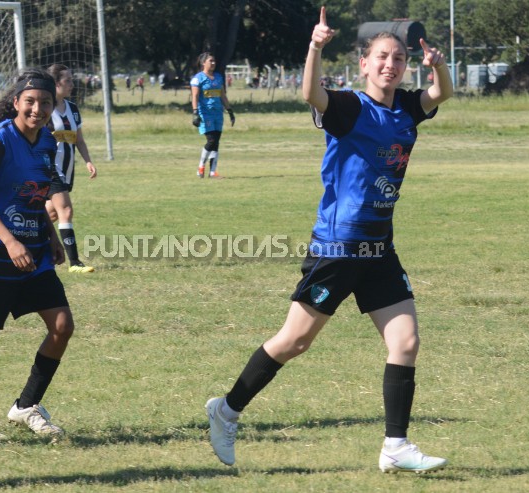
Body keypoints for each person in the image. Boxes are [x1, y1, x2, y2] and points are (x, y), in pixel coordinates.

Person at [205, 6, 454, 474]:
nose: (391, 65)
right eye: (382, 57)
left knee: (406, 341)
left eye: (398, 59)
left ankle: (395, 446)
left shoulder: (405, 108)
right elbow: (309, 92)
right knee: (294, 341)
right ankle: (227, 409)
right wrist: (316, 46)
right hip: (338, 248)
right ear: (363, 63)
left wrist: (436, 62)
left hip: (379, 250)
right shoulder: (348, 107)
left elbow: (442, 92)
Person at [0, 68, 74, 440]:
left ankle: (26, 406)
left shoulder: (47, 143)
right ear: (16, 103)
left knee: (62, 326)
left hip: (35, 254)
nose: (37, 109)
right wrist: (10, 240)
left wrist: (52, 235)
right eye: (30, 102)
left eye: (45, 103)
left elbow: (35, 194)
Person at [46, 64, 97, 273]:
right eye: (67, 80)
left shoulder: (73, 109)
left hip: (67, 170)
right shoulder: (45, 110)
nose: (72, 84)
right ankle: (75, 263)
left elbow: (80, 140)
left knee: (49, 214)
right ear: (56, 84)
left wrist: (88, 161)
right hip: (49, 169)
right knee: (66, 210)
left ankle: (20, 238)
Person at [190, 52, 235, 178]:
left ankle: (212, 171)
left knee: (216, 142)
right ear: (203, 63)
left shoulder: (218, 77)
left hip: (218, 114)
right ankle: (201, 167)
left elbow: (222, 96)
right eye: (211, 61)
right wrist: (195, 113)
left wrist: (230, 111)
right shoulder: (198, 78)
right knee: (211, 140)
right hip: (205, 114)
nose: (213, 63)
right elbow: (194, 96)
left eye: (214, 61)